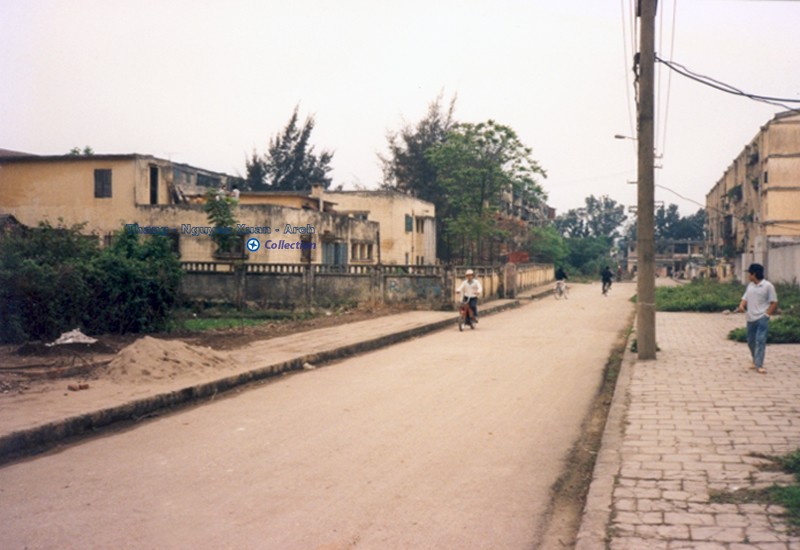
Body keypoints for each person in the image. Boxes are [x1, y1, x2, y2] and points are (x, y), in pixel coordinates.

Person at [736, 263, 778, 374]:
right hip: (750, 318)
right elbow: (745, 298)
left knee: (760, 340)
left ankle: (759, 365)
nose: (748, 276)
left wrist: (767, 315)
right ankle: (755, 359)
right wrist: (741, 305)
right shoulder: (750, 286)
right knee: (751, 341)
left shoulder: (768, 286)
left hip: (762, 318)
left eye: (749, 273)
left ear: (754, 274)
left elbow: (774, 302)